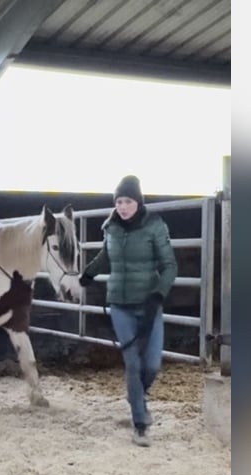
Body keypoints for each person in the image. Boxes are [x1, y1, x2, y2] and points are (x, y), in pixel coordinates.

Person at [79, 175, 177, 447]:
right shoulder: (110, 227)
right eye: (119, 201)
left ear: (138, 202)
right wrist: (89, 272)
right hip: (119, 304)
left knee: (153, 365)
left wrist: (158, 294)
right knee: (132, 363)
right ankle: (140, 424)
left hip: (149, 304)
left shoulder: (155, 226)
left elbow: (170, 265)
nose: (123, 207)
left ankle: (136, 396)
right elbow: (106, 256)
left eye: (128, 201)